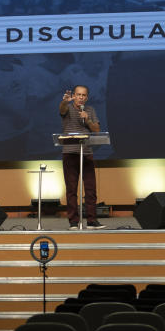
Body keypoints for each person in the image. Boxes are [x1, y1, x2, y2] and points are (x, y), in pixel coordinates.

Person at [59, 85, 105, 229]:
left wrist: (88, 120)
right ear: (74, 95)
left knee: (91, 189)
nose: (81, 97)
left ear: (87, 97)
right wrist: (65, 102)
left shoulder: (90, 110)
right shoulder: (68, 107)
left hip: (86, 153)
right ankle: (73, 221)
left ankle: (91, 221)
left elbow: (97, 130)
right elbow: (62, 110)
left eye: (84, 95)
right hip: (70, 153)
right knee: (71, 189)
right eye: (78, 94)